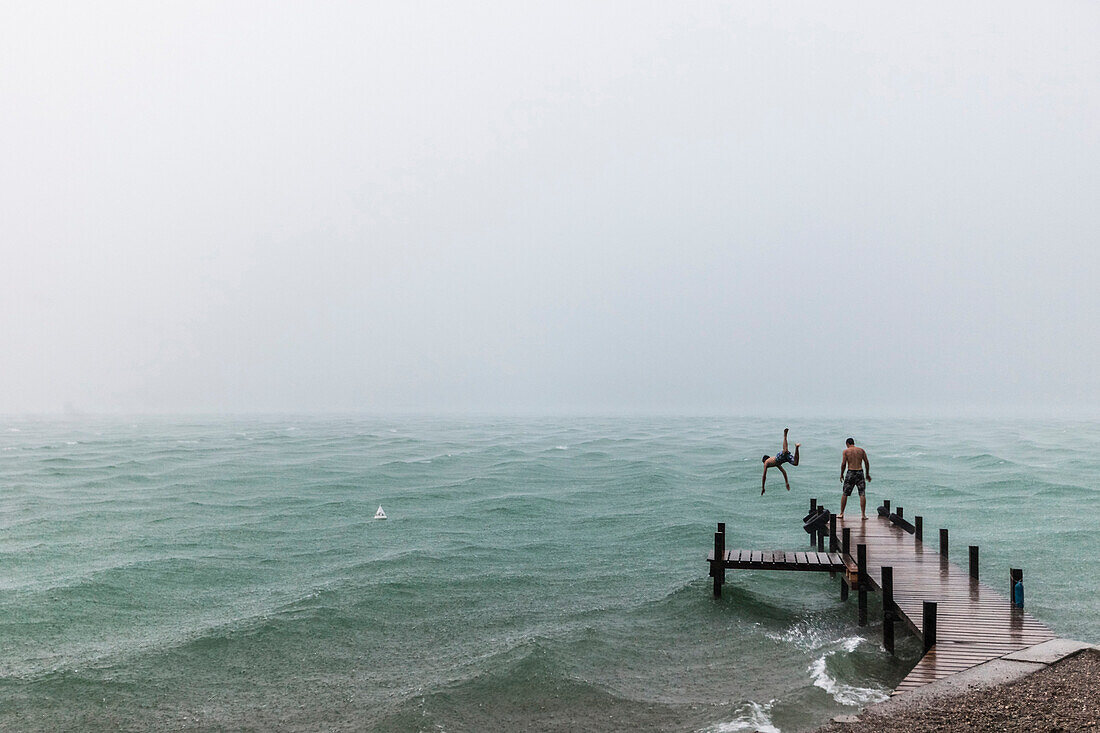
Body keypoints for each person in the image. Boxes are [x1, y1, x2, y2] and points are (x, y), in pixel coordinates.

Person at [839, 437, 871, 519]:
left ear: (847, 444)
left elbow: (843, 464)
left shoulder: (846, 451)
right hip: (860, 472)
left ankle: (842, 513)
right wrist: (867, 474)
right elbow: (866, 462)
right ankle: (863, 515)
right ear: (853, 443)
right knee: (862, 494)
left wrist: (841, 474)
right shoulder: (861, 450)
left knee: (845, 493)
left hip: (851, 472)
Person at [761, 428, 799, 495]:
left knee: (785, 450)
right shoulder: (776, 464)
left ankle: (785, 435)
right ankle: (797, 448)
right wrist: (786, 483)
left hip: (778, 458)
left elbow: (764, 476)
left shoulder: (766, 462)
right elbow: (784, 472)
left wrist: (763, 487)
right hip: (783, 460)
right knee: (795, 463)